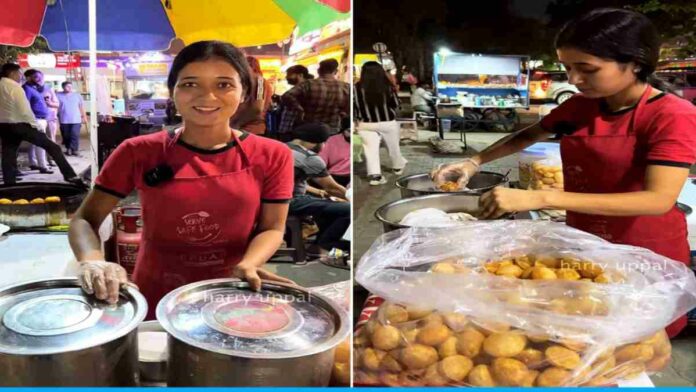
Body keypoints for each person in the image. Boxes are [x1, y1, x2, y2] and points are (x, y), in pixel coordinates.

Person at [431, 8, 696, 338]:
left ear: (636, 63)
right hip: (585, 241)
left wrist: (539, 197)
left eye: (587, 69)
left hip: (642, 252)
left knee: (633, 345)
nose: (574, 80)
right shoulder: (582, 105)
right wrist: (474, 160)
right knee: (580, 334)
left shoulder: (672, 115)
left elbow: (658, 199)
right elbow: (529, 135)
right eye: (568, 68)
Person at [69, 41, 295, 318]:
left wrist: (251, 263)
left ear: (244, 92)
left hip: (232, 291)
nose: (207, 96)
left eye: (224, 85)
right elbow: (84, 219)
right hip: (155, 290)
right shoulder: (137, 151)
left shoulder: (273, 155)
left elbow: (272, 227)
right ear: (172, 90)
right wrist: (92, 262)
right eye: (190, 84)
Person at [0, 63, 80, 185]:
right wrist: (36, 127)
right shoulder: (15, 88)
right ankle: (70, 176)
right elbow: (25, 110)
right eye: (19, 74)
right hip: (21, 125)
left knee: (8, 154)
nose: (20, 76)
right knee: (53, 147)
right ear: (12, 73)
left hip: (4, 125)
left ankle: (9, 184)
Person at [288, 122, 350, 256]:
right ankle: (324, 246)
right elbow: (333, 188)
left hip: (267, 199)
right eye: (324, 142)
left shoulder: (280, 147)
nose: (324, 146)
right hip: (290, 201)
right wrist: (350, 197)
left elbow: (292, 181)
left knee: (327, 204)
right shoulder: (309, 158)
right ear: (315, 142)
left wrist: (319, 192)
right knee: (348, 209)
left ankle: (319, 241)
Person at [354, 61, 408, 186]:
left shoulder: (356, 88)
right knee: (393, 146)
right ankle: (397, 167)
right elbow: (395, 104)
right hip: (387, 122)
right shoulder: (387, 87)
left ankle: (375, 176)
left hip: (365, 124)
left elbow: (354, 107)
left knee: (370, 150)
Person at [282, 59, 349, 134]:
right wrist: (342, 112)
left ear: (319, 71)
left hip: (309, 128)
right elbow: (348, 108)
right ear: (336, 71)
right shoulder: (345, 87)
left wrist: (300, 109)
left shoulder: (307, 84)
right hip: (332, 129)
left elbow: (287, 96)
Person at [230, 56, 273, 135]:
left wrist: (236, 123)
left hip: (250, 129)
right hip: (249, 129)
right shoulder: (257, 81)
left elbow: (257, 108)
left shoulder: (260, 81)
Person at [23, 69, 53, 174]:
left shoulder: (34, 88)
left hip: (41, 119)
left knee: (33, 143)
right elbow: (25, 105)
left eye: (41, 76)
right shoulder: (27, 89)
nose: (39, 79)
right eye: (36, 76)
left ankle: (34, 163)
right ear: (28, 77)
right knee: (41, 143)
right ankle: (43, 166)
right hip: (36, 119)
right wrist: (32, 119)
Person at [278, 65, 313, 140]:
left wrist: (300, 110)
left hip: (293, 129)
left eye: (289, 75)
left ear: (300, 75)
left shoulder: (305, 87)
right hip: (290, 128)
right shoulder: (300, 88)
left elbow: (286, 96)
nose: (287, 77)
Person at [57, 81, 87, 156]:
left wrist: (84, 117)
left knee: (75, 134)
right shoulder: (58, 95)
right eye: (67, 86)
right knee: (66, 136)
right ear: (63, 87)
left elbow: (81, 107)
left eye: (71, 86)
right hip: (64, 119)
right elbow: (55, 107)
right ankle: (68, 148)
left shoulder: (77, 95)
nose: (70, 88)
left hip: (76, 119)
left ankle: (74, 149)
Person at [318, 117, 351, 187]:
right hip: (336, 176)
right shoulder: (332, 140)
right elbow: (321, 162)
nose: (351, 135)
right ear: (343, 130)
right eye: (349, 131)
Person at [42, 81, 60, 166]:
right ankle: (40, 162)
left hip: (50, 119)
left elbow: (57, 104)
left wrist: (49, 103)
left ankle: (51, 159)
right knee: (36, 142)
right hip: (37, 118)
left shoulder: (49, 90)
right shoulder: (30, 90)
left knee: (51, 139)